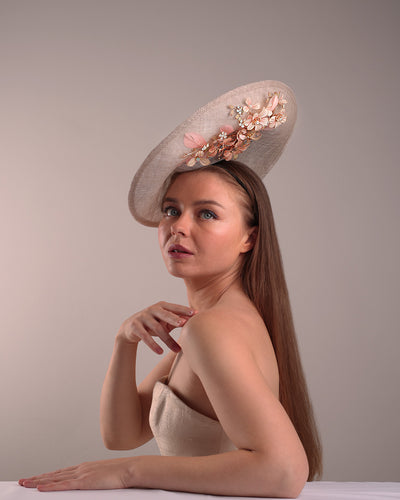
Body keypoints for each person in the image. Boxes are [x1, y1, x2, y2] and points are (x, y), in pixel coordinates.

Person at [19, 80, 322, 497]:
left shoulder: (213, 329)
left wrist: (128, 473)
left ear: (249, 238)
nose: (178, 226)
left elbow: (284, 474)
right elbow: (123, 433)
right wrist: (124, 342)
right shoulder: (206, 323)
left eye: (207, 214)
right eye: (171, 210)